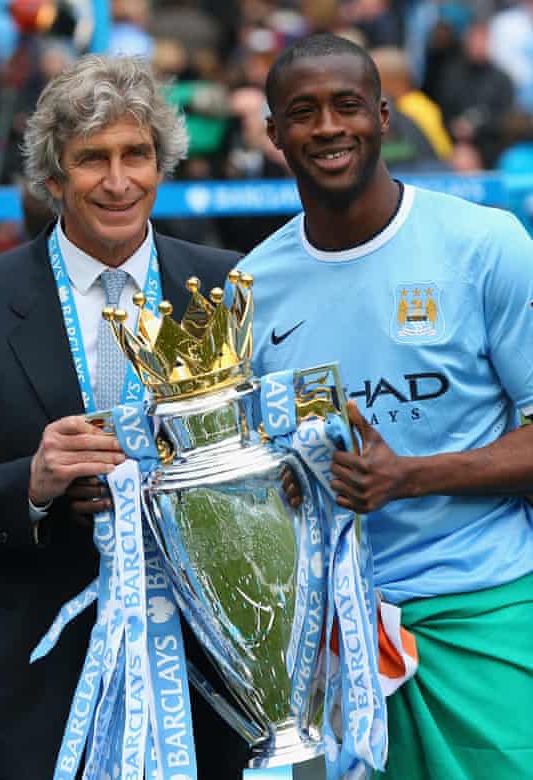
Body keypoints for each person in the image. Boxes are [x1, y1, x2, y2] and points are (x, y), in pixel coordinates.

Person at [0, 54, 248, 780]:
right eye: (91, 160)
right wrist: (33, 485)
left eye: (136, 154)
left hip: (196, 692)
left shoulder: (222, 285)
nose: (117, 180)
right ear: (52, 177)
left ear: (161, 164)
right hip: (31, 694)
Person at [239, 32, 533, 780]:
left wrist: (412, 476)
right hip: (329, 648)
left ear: (385, 115)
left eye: (347, 106)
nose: (329, 127)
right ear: (274, 134)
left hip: (481, 616)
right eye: (302, 112)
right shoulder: (249, 290)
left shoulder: (486, 245)